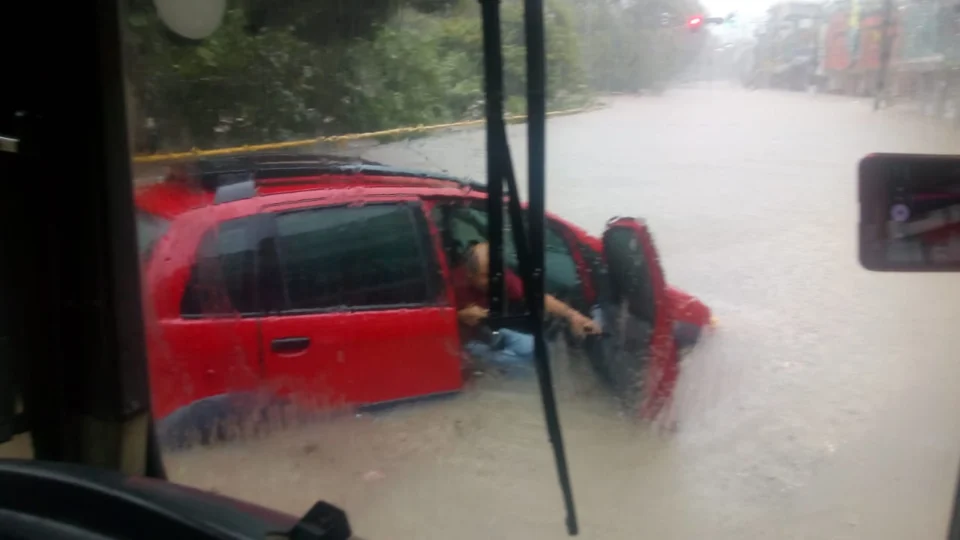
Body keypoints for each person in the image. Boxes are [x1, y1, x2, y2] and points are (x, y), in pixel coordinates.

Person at [451, 242, 601, 375]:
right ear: (470, 275)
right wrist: (459, 316)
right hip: (462, 344)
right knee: (519, 367)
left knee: (537, 348)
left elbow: (537, 297)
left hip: (491, 334)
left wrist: (573, 315)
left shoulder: (502, 278)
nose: (495, 281)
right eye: (486, 276)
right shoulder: (451, 284)